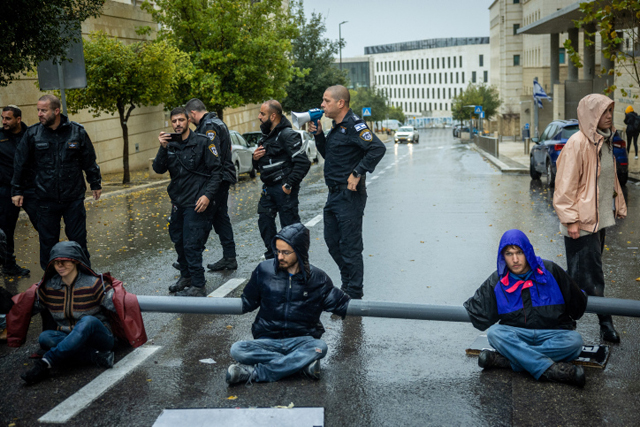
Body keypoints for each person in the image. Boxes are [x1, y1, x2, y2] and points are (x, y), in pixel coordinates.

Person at [6, 241, 147, 385]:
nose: (60, 266)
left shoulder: (94, 283)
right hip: (69, 336)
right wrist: (7, 306)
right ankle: (95, 357)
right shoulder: (49, 288)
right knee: (45, 337)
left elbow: (119, 304)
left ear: (75, 261)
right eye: (56, 263)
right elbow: (25, 308)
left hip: (100, 338)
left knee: (87, 321)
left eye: (65, 261)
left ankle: (46, 362)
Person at [226, 223, 350, 384]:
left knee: (320, 347)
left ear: (299, 252)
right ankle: (300, 365)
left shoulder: (319, 278)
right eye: (277, 251)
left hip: (301, 341)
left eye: (285, 252)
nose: (279, 257)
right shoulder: (263, 270)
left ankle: (255, 373)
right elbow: (248, 302)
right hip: (267, 340)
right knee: (237, 350)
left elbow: (342, 304)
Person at [464, 229, 588, 387]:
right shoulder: (498, 280)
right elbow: (479, 314)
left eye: (519, 252)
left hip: (552, 334)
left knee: (575, 341)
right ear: (503, 256)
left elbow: (577, 307)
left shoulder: (550, 270)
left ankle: (509, 361)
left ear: (527, 252)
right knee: (495, 333)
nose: (515, 259)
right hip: (518, 334)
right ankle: (550, 370)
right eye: (509, 254)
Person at [554, 93, 627, 343]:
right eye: (605, 111)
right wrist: (571, 220)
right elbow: (565, 186)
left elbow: (609, 179)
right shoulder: (577, 143)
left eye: (610, 111)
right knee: (591, 278)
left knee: (578, 277)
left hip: (598, 221)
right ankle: (605, 324)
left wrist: (617, 204)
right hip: (581, 223)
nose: (609, 116)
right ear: (592, 115)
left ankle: (560, 320)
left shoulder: (603, 142)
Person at [308, 85, 386, 299]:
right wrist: (319, 136)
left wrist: (358, 171)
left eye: (326, 101)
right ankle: (348, 283)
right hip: (333, 194)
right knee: (333, 242)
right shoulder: (336, 126)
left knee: (350, 246)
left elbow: (377, 148)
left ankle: (353, 293)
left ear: (340, 103)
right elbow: (330, 156)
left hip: (349, 195)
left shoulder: (355, 125)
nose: (322, 105)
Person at [12, 95, 102, 270]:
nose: (39, 114)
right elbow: (20, 163)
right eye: (38, 110)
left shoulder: (77, 132)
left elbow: (89, 160)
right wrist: (17, 190)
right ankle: (50, 282)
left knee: (78, 241)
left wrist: (95, 183)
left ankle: (85, 276)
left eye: (43, 110)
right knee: (47, 243)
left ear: (56, 110)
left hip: (73, 198)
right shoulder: (32, 134)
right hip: (45, 199)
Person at [153, 107, 224, 297]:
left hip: (197, 202)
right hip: (178, 202)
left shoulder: (203, 142)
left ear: (188, 121)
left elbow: (217, 172)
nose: (177, 124)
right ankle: (186, 277)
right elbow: (158, 169)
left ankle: (198, 284)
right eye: (174, 121)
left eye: (181, 120)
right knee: (179, 240)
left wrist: (208, 196)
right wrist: (162, 147)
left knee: (192, 244)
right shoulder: (170, 144)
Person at [184, 98, 238, 272]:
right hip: (221, 178)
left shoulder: (209, 127)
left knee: (206, 217)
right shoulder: (215, 122)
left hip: (218, 179)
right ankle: (229, 257)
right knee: (220, 218)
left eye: (188, 117)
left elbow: (213, 159)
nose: (188, 122)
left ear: (192, 113)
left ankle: (193, 257)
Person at [253, 100, 311, 259]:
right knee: (264, 222)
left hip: (284, 189)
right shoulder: (266, 136)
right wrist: (255, 158)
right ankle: (273, 257)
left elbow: (303, 162)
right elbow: (260, 166)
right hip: (268, 188)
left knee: (290, 229)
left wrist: (288, 184)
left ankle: (298, 262)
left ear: (273, 116)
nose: (259, 117)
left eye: (262, 114)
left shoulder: (287, 135)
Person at [1, 105, 38, 275]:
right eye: (2, 118)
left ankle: (53, 263)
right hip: (6, 191)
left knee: (44, 226)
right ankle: (9, 266)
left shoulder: (31, 134)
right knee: (6, 230)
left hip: (31, 189)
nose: (4, 122)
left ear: (18, 119)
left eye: (8, 118)